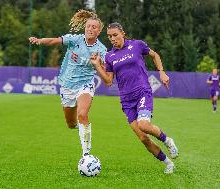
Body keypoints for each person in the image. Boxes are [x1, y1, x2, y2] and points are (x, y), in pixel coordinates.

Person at [90, 22, 178, 174]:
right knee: (143, 138)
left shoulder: (137, 45)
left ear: (123, 33)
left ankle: (167, 141)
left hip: (143, 92)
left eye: (115, 35)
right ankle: (168, 162)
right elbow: (109, 81)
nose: (112, 38)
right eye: (109, 36)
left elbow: (155, 55)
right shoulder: (109, 56)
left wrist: (162, 72)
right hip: (126, 100)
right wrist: (97, 66)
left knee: (144, 125)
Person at [29, 10, 107, 156]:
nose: (90, 29)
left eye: (94, 27)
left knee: (83, 114)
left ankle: (86, 154)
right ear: (85, 27)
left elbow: (105, 71)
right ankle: (80, 128)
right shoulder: (75, 39)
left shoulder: (101, 50)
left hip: (85, 84)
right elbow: (54, 41)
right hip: (67, 85)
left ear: (99, 31)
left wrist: (99, 65)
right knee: (71, 124)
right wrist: (39, 41)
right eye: (88, 26)